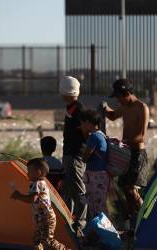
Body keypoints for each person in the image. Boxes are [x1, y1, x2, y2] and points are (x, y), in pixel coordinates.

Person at [104, 79, 150, 226]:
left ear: (126, 93)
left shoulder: (142, 107)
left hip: (137, 153)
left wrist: (125, 142)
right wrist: (105, 108)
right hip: (126, 153)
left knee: (131, 189)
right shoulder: (123, 107)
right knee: (125, 189)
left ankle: (147, 217)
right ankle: (132, 223)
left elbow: (142, 134)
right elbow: (112, 116)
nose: (117, 100)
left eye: (119, 96)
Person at [11, 158, 68, 250]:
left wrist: (19, 196)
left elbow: (32, 199)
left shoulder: (38, 183)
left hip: (46, 219)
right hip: (40, 220)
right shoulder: (36, 183)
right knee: (37, 241)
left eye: (29, 171)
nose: (27, 173)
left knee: (48, 242)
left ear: (38, 172)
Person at [59, 76, 87, 232]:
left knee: (78, 190)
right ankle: (68, 221)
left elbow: (84, 133)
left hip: (75, 156)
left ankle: (81, 222)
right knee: (68, 190)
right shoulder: (72, 108)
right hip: (70, 155)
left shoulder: (78, 110)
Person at [79, 109, 110, 220]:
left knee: (96, 205)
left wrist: (84, 135)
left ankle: (102, 231)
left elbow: (85, 158)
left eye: (82, 123)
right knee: (99, 204)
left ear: (88, 122)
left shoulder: (93, 137)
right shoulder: (101, 135)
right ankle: (101, 230)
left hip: (96, 175)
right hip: (101, 174)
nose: (81, 126)